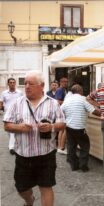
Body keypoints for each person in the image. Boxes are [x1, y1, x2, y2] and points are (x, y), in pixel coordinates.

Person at [3, 71, 65, 206]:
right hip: (23, 155)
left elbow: (62, 124)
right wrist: (20, 128)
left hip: (46, 154)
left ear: (41, 86)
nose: (26, 86)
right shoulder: (17, 103)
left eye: (30, 83)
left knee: (46, 187)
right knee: (22, 188)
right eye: (25, 83)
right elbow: (7, 126)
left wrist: (51, 127)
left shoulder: (53, 104)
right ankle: (29, 200)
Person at [61, 84, 101, 172]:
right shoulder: (83, 99)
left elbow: (60, 111)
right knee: (85, 146)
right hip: (79, 128)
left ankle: (74, 165)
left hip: (69, 127)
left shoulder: (67, 100)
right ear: (81, 91)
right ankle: (83, 165)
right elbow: (94, 111)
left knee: (71, 146)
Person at [0, 77, 23, 155]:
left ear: (15, 83)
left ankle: (12, 147)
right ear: (8, 84)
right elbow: (1, 103)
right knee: (9, 131)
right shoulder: (4, 93)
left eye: (13, 82)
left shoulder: (19, 93)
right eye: (11, 82)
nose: (12, 84)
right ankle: (12, 145)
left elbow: (22, 102)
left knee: (14, 131)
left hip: (17, 113)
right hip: (7, 114)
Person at [54, 77, 68, 154]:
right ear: (60, 82)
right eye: (64, 82)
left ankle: (60, 147)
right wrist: (67, 102)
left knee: (61, 130)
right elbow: (58, 101)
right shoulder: (60, 90)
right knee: (64, 129)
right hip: (61, 112)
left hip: (62, 111)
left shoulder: (64, 90)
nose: (65, 83)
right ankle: (61, 147)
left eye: (66, 81)